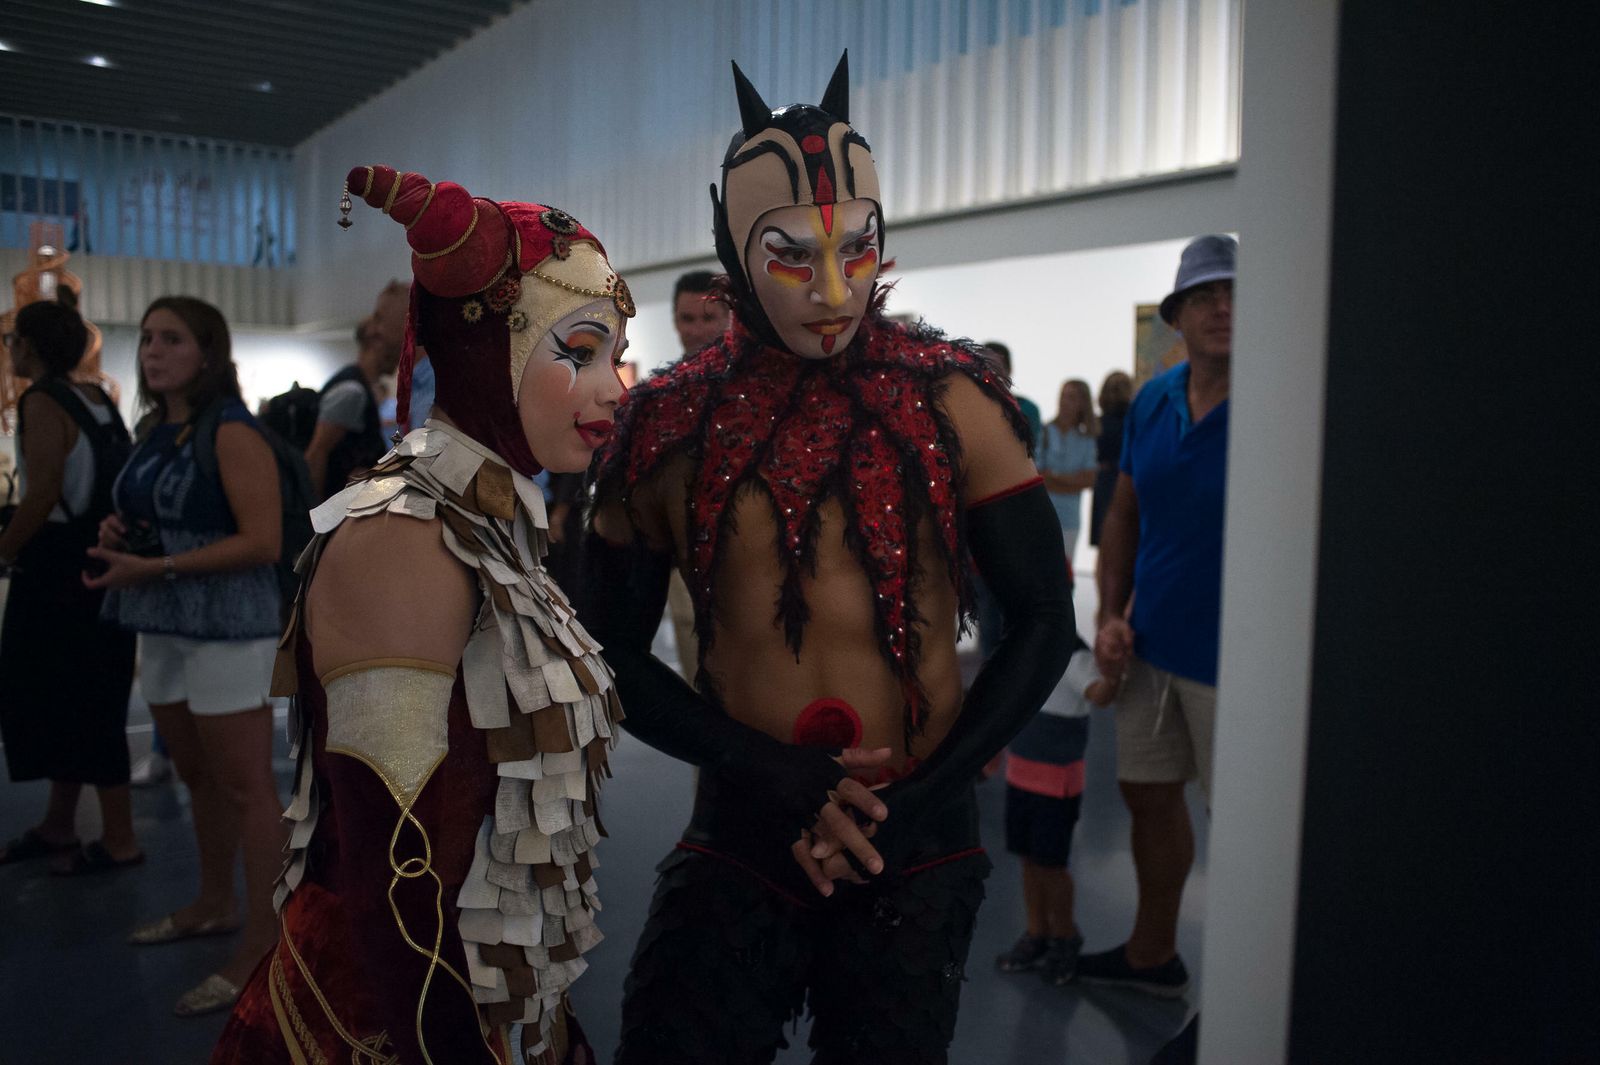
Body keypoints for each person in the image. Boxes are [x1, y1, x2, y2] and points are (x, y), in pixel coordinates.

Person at [586, 54, 1074, 1064]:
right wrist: (766, 769)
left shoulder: (956, 400)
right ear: (732, 247)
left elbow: (1043, 622)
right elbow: (605, 653)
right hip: (742, 831)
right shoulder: (665, 427)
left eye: (856, 249)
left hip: (919, 836)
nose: (831, 289)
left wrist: (916, 802)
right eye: (790, 254)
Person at [213, 164, 631, 1065]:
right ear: (490, 350)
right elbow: (390, 866)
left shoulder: (488, 516)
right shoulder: (403, 539)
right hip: (387, 1019)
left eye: (613, 354)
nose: (616, 387)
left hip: (495, 1000)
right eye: (581, 350)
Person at [89, 296, 286, 1016]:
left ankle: (264, 941)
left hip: (226, 620)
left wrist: (159, 568)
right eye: (145, 338)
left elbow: (263, 541)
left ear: (208, 351)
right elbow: (160, 513)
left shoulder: (231, 431)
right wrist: (124, 527)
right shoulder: (156, 431)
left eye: (171, 338)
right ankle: (212, 901)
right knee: (196, 771)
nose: (152, 350)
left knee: (246, 784)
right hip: (164, 615)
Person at [1080, 234, 1237, 997]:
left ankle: (1241, 1003)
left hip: (1237, 660)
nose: (1224, 307)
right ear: (1177, 314)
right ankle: (1152, 953)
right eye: (1206, 295)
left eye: (1237, 291)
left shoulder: (1279, 402)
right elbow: (1125, 513)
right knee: (1146, 793)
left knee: (1243, 827)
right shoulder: (1155, 398)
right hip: (1151, 643)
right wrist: (1110, 612)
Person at [0, 296, 140, 875]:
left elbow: (42, 490)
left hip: (57, 567)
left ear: (28, 346)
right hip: (100, 554)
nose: (8, 349)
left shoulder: (39, 400)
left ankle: (121, 839)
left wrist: (5, 551)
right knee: (85, 692)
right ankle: (62, 823)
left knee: (72, 695)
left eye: (11, 340)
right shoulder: (97, 398)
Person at [993, 636, 1111, 985]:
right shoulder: (1027, 649)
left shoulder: (1075, 659)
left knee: (1051, 866)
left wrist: (1115, 672)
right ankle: (1037, 933)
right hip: (1021, 777)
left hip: (1057, 786)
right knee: (1028, 860)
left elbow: (1101, 695)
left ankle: (1065, 935)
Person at [662, 270, 733, 675]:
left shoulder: (756, 384)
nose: (698, 330)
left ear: (728, 318)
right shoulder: (664, 394)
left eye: (708, 318)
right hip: (683, 543)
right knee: (695, 656)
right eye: (688, 319)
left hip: (749, 543)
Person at [302, 281, 406, 498]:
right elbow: (316, 455)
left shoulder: (360, 389)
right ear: (373, 342)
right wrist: (315, 516)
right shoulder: (352, 392)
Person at [974, 340, 1042, 658]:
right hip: (974, 515)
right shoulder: (964, 406)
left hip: (1013, 513)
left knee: (1014, 597)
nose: (991, 370)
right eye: (985, 362)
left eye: (997, 363)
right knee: (984, 600)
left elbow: (1025, 454)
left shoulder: (1026, 409)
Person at [1037, 378, 1099, 566]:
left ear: (1082, 403)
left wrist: (1054, 477)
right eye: (1063, 396)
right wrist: (1071, 480)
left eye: (1071, 397)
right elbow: (1039, 476)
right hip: (1044, 514)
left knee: (1065, 572)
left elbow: (1088, 479)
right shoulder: (1046, 432)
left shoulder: (1086, 438)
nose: (1064, 402)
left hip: (1070, 519)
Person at [1089, 370, 1132, 552]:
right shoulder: (1133, 423)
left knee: (1108, 539)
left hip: (1107, 480)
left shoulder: (1099, 424)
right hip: (1122, 480)